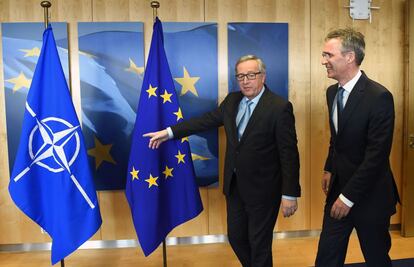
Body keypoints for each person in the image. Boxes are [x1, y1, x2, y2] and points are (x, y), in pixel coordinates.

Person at [144, 55, 301, 267]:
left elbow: (289, 154)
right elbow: (204, 121)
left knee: (259, 243)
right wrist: (170, 132)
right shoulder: (232, 101)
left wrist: (289, 193)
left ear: (263, 77)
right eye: (241, 76)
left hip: (264, 190)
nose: (245, 81)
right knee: (236, 237)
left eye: (251, 75)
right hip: (235, 186)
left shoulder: (279, 107)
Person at [315, 28, 400, 267]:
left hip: (370, 197)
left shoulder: (379, 97)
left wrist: (348, 197)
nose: (324, 61)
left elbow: (376, 156)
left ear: (350, 57)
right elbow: (337, 139)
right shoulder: (332, 92)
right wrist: (329, 168)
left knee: (376, 259)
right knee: (327, 258)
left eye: (328, 55)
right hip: (338, 191)